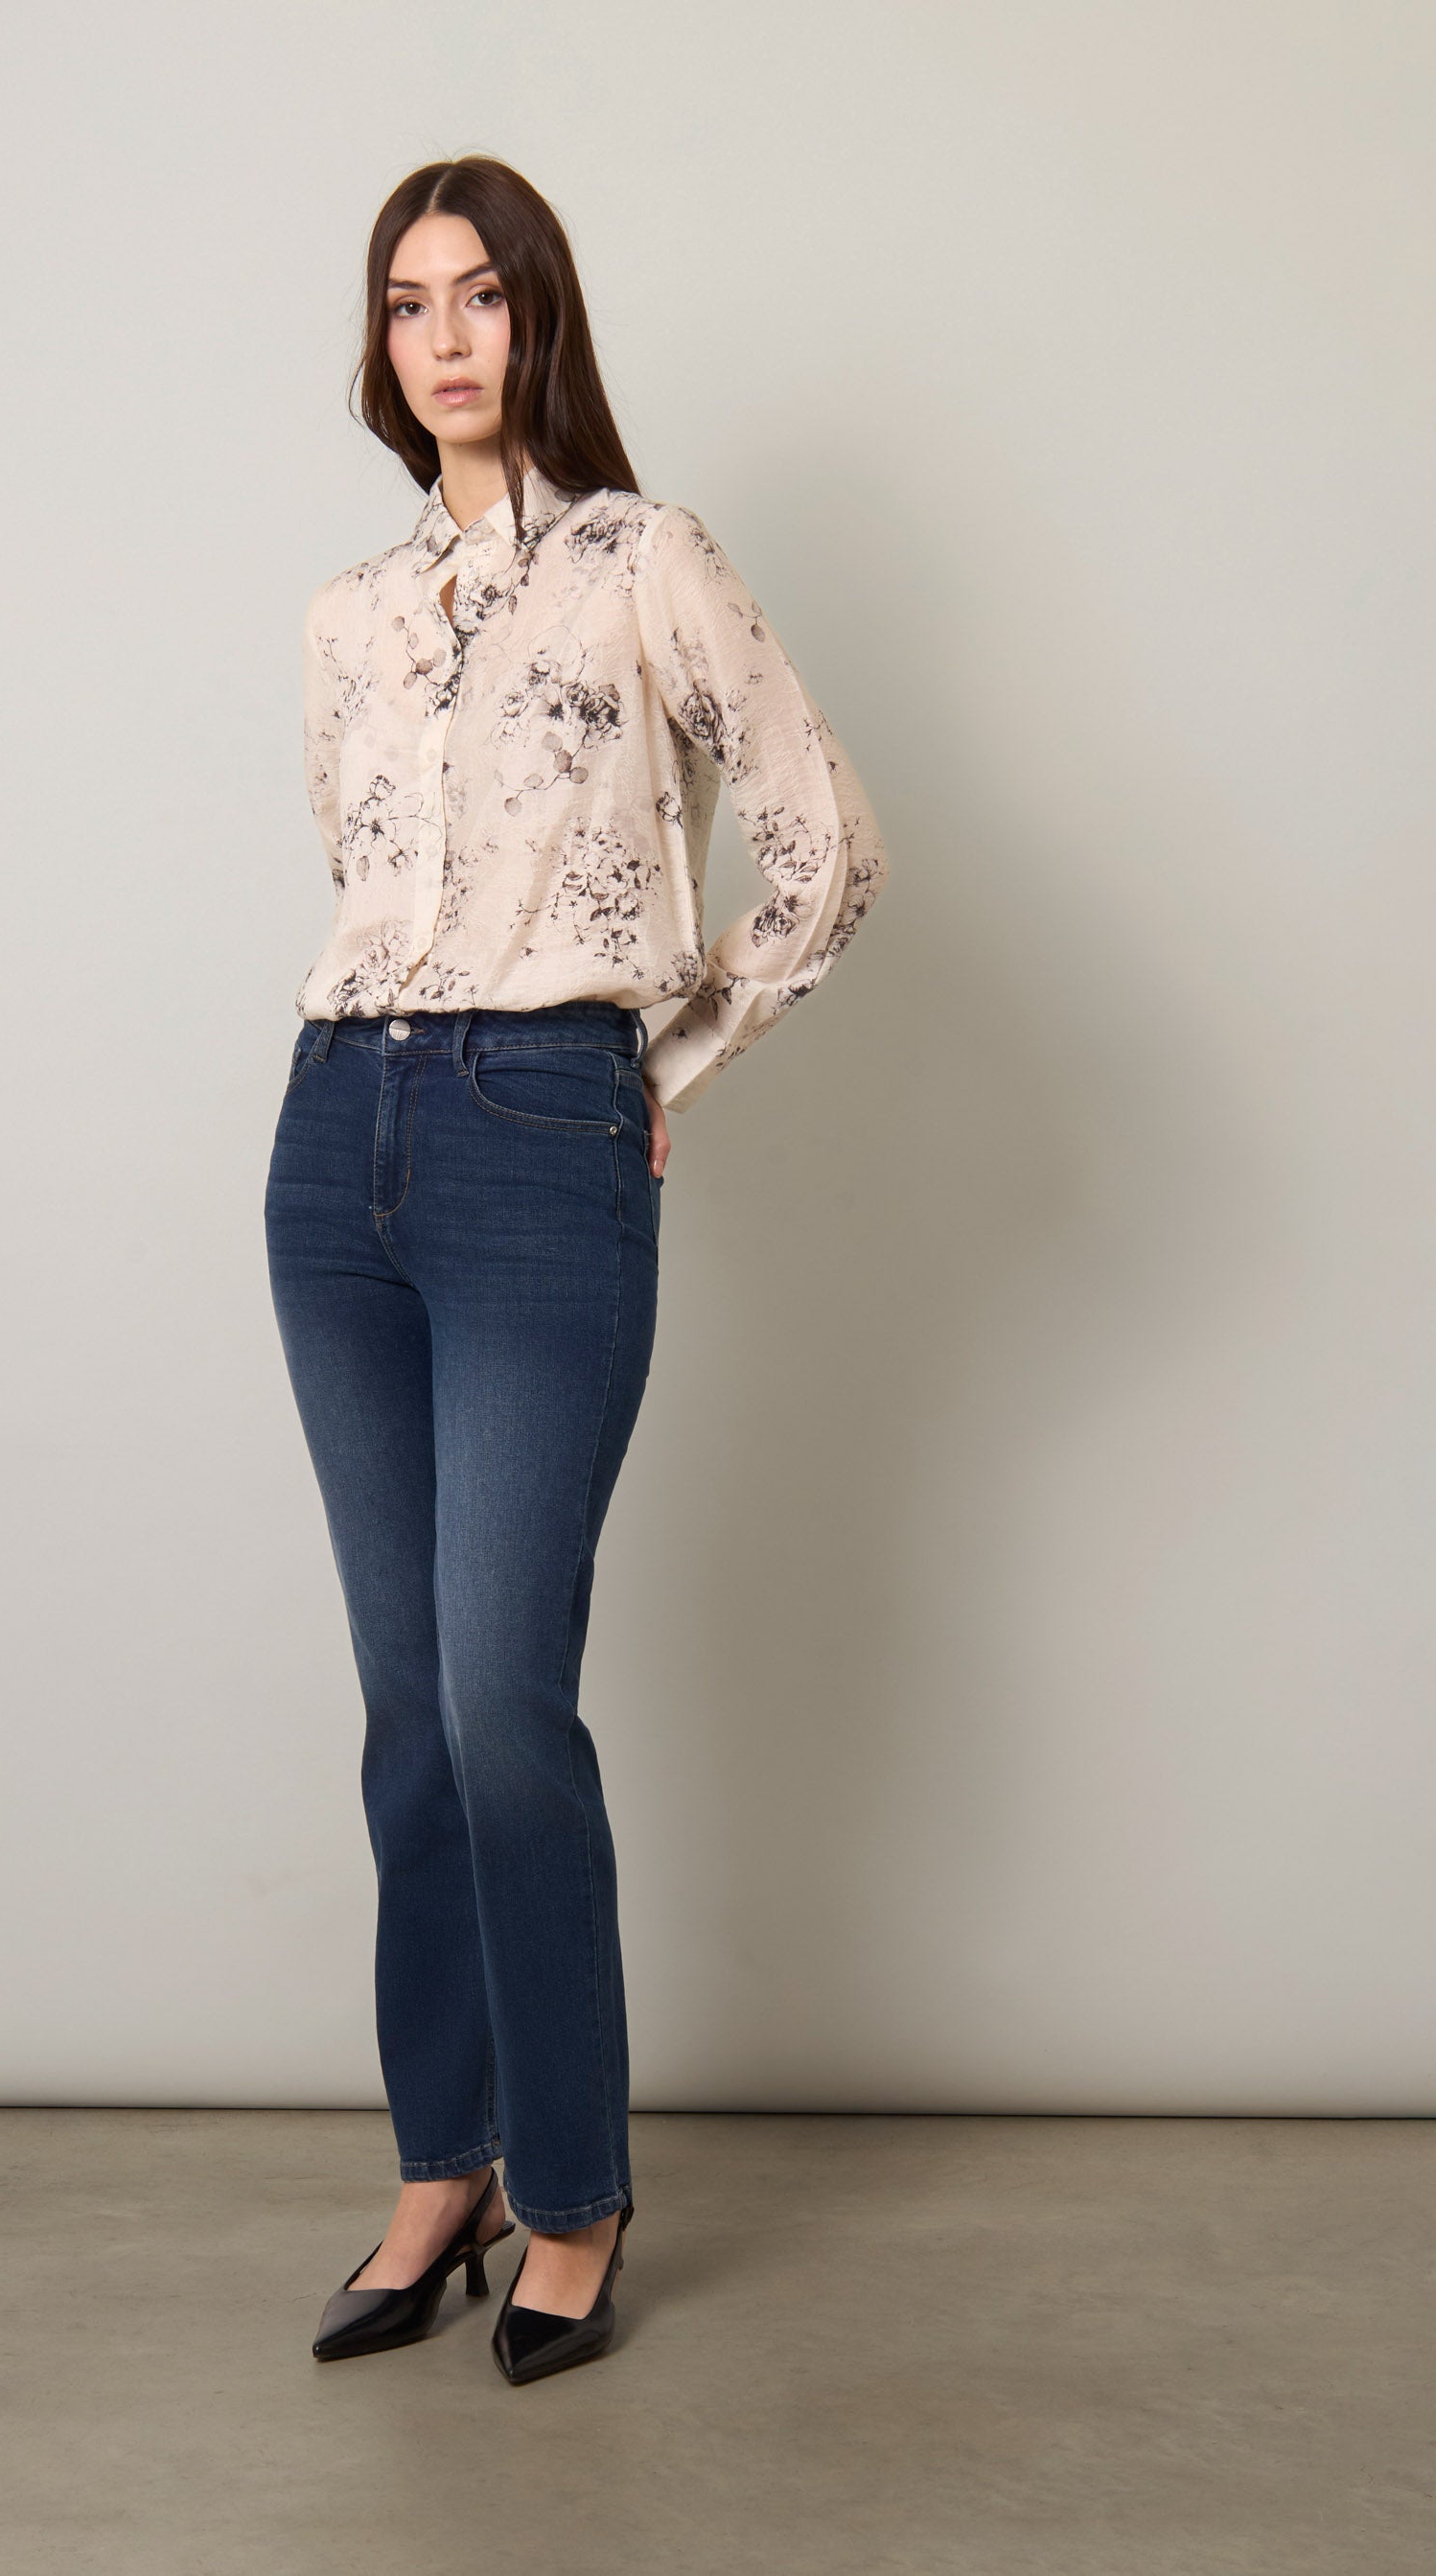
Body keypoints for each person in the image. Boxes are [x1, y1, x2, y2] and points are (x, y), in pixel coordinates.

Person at [264, 154, 886, 2386]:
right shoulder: (348, 615)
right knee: (405, 1712)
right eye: (406, 302)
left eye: (482, 296)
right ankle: (441, 2168)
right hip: (337, 1135)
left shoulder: (644, 561)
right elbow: (368, 880)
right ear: (381, 342)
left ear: (541, 318)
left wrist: (660, 1062)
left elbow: (826, 843)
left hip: (542, 1130)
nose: (444, 337)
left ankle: (577, 2186)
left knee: (504, 1698)